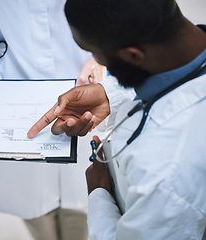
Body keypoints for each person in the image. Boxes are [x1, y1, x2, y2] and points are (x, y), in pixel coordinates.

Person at [0, 0, 123, 239]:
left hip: (87, 88)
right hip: (8, 100)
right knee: (35, 210)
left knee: (88, 203)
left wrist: (104, 56)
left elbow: (132, 13)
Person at [29, 0, 206, 239]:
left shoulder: (166, 172)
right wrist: (109, 95)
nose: (96, 60)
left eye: (95, 52)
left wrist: (100, 193)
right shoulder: (183, 46)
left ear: (133, 55)